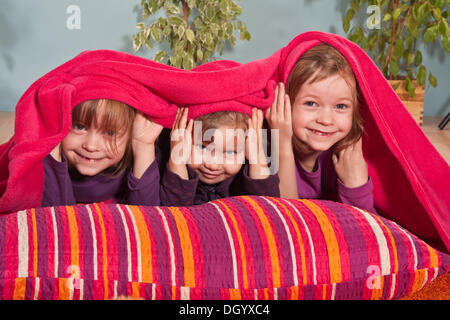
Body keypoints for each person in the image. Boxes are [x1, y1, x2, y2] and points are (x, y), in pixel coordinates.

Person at [266, 43, 376, 213]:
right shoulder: (264, 150)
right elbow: (286, 221)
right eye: (311, 103)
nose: (326, 120)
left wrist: (356, 186)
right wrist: (282, 144)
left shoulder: (348, 155)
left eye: (340, 106)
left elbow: (368, 229)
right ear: (283, 103)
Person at [41, 98, 163, 206]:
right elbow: (56, 219)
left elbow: (147, 219)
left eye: (110, 133)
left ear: (129, 138)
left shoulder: (143, 163)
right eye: (79, 127)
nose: (91, 146)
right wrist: (52, 146)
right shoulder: (43, 163)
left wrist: (143, 146)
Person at [160, 107, 279, 206]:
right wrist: (177, 162)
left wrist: (257, 160)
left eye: (230, 153)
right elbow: (173, 216)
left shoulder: (243, 182)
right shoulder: (164, 167)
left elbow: (268, 213)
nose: (212, 165)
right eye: (202, 147)